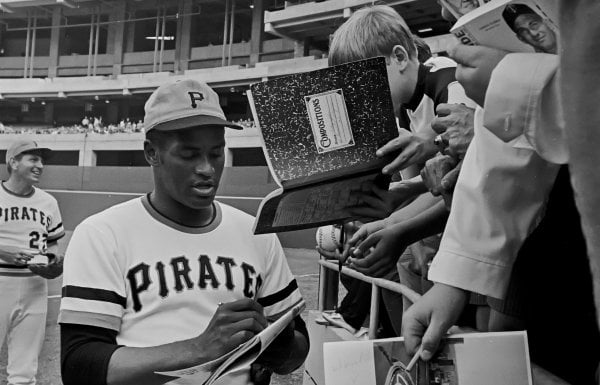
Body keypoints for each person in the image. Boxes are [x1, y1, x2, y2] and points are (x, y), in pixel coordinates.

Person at [59, 79, 309, 385]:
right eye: (189, 155)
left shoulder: (256, 232)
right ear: (152, 152)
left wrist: (274, 346)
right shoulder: (102, 234)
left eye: (216, 153)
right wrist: (200, 348)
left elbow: (297, 351)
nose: (206, 168)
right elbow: (79, 365)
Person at [0, 139, 65, 385]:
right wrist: (1, 250)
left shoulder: (48, 202)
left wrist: (52, 263)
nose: (40, 165)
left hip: (34, 288)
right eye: (33, 159)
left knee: (25, 373)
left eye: (42, 161)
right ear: (13, 162)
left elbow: (51, 245)